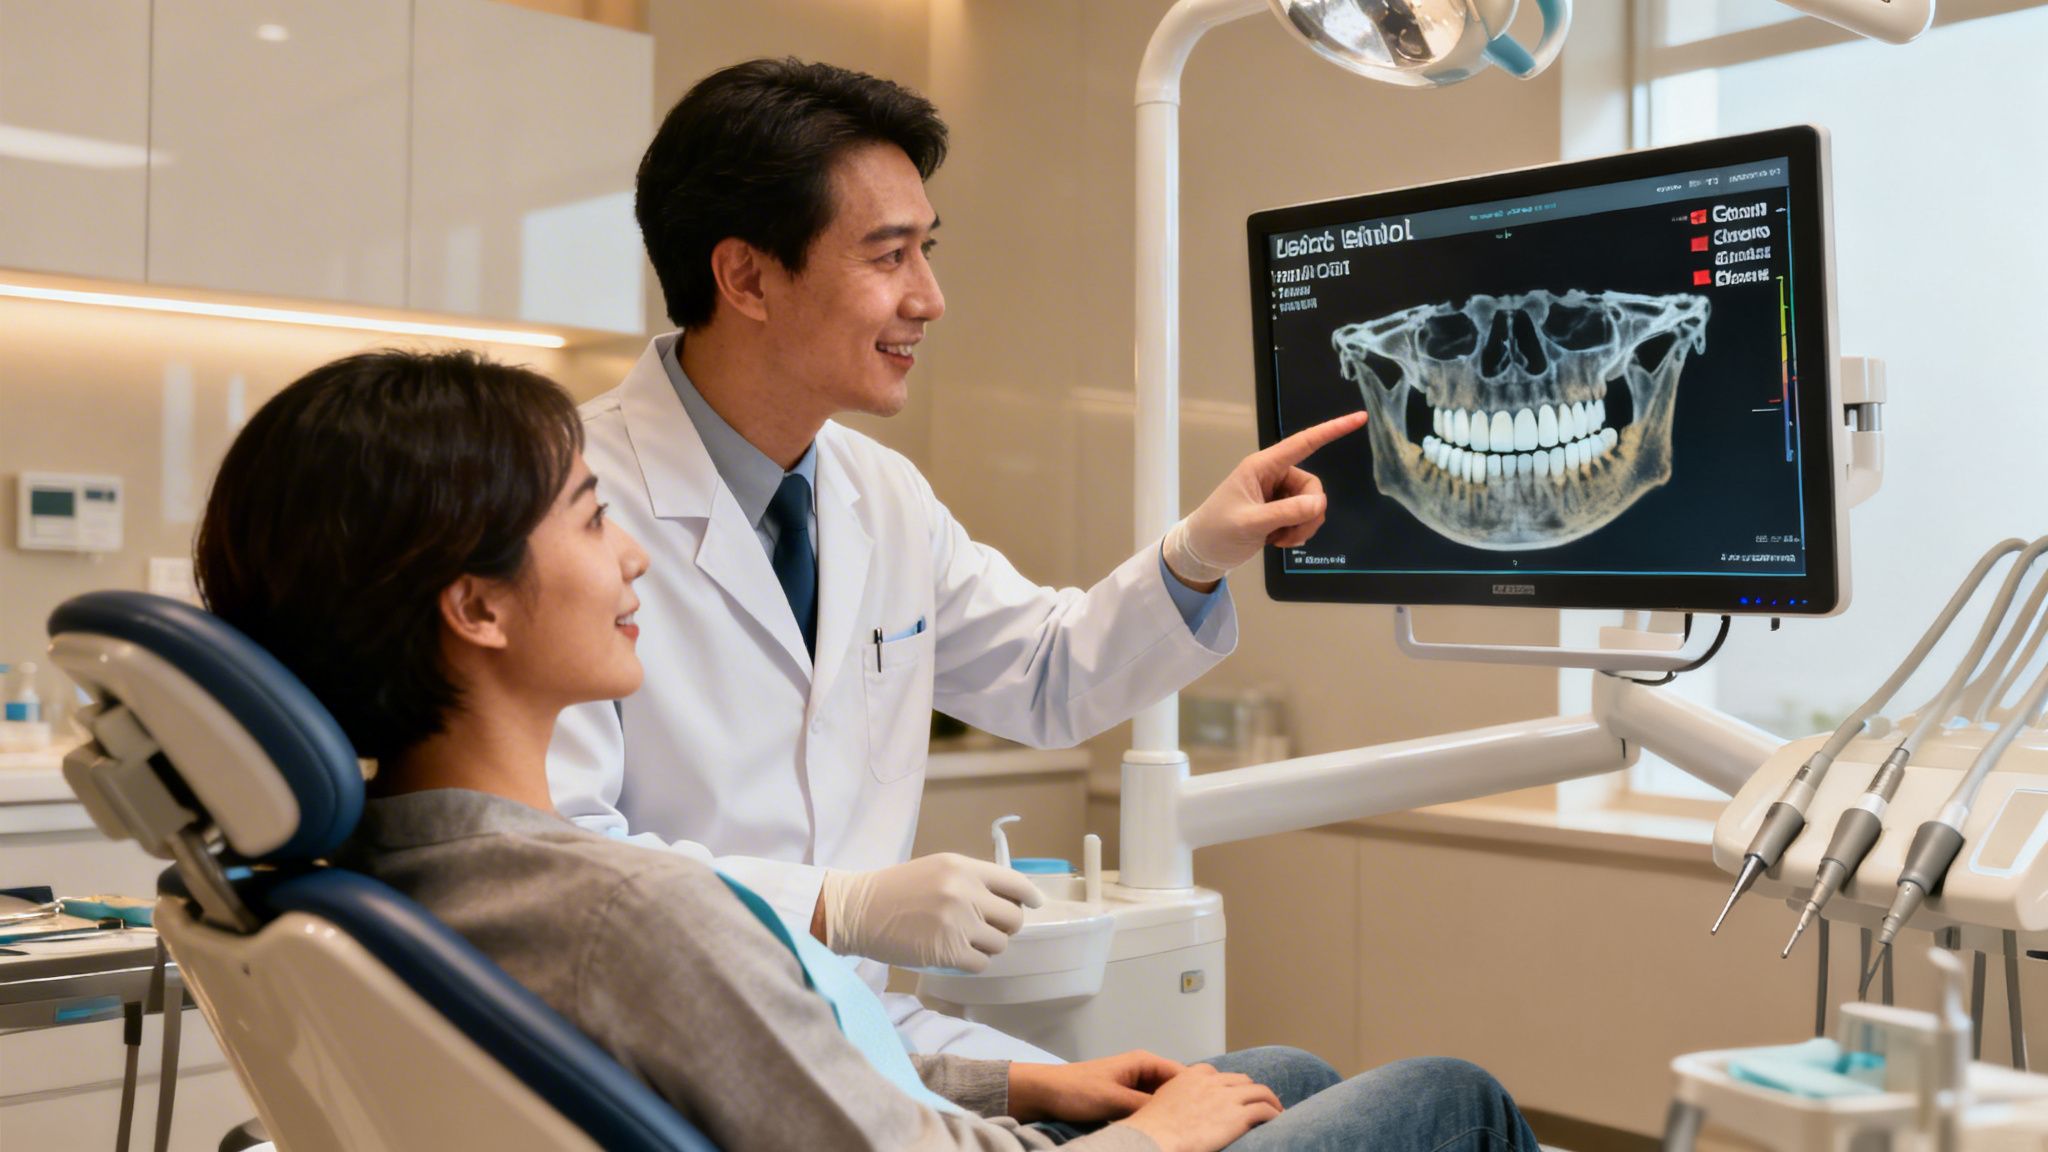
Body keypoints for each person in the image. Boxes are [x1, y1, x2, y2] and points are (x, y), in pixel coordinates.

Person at [192, 348, 1537, 1151]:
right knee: (1449, 1098)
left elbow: (744, 1068)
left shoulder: (392, 869)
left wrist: (1022, 1078)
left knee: (1276, 1080)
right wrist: (1146, 1140)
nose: (633, 555)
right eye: (593, 521)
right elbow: (699, 995)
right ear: (477, 608)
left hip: (842, 1071)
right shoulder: (627, 911)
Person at [546, 55, 1370, 1061]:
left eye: (926, 251)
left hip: (858, 1038)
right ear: (747, 277)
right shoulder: (557, 499)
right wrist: (836, 905)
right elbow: (555, 857)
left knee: (1278, 1076)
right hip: (666, 1051)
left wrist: (1198, 551)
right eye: (889, 256)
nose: (930, 299)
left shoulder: (881, 495)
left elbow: (1047, 675)